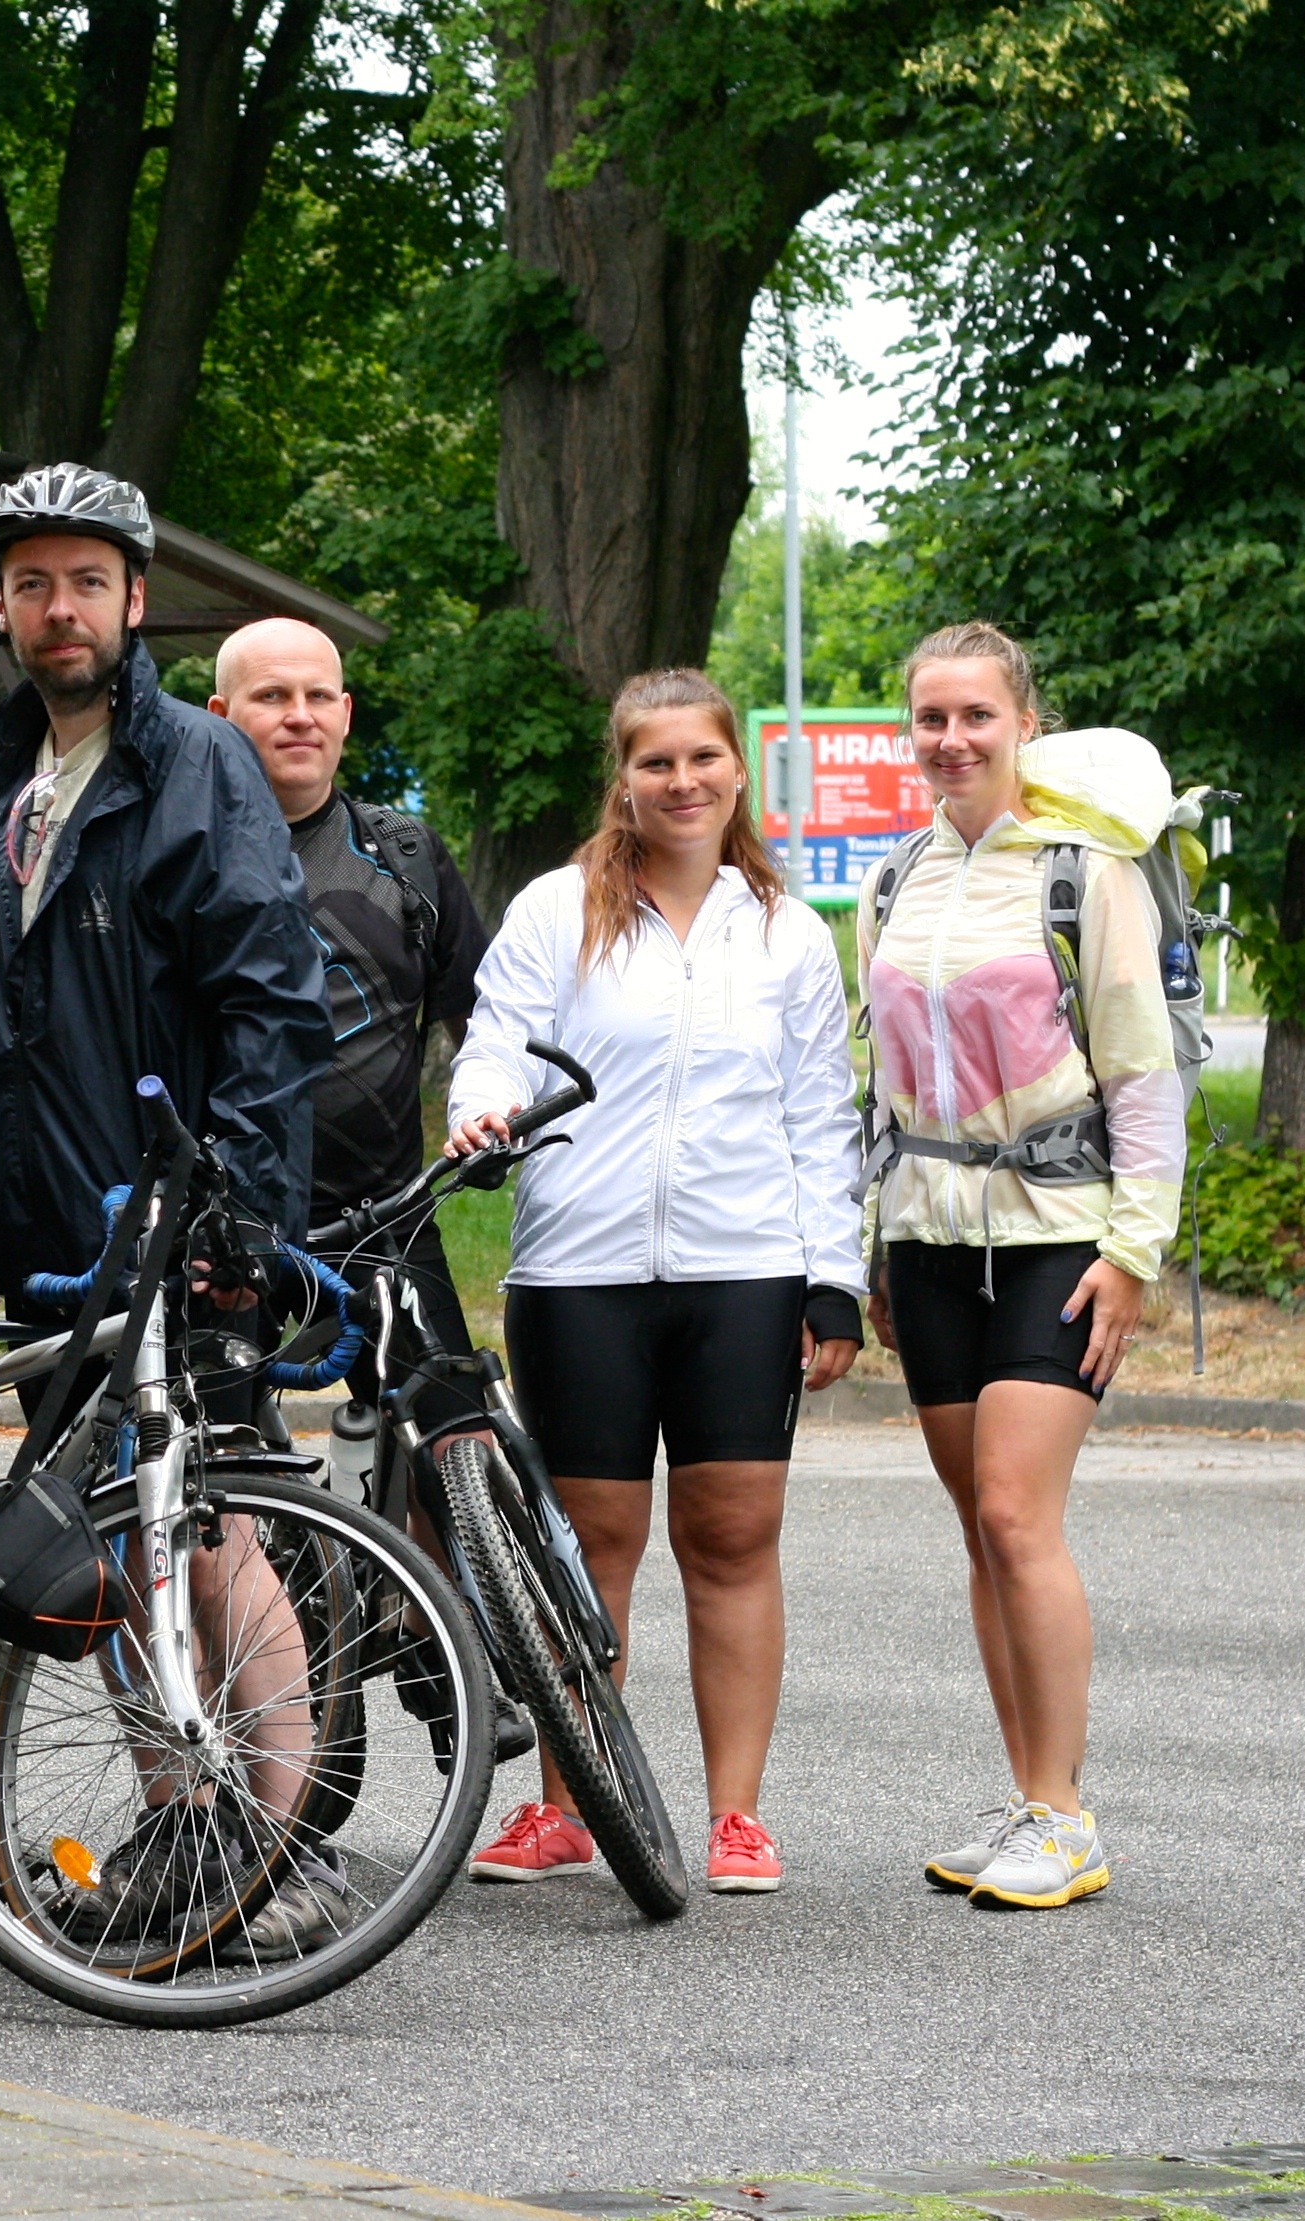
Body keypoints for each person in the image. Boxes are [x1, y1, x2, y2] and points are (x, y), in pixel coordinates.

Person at [0, 462, 331, 1940]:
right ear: (1, 606)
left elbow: (269, 1001)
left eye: (89, 583)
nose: (62, 609)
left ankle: (275, 1851)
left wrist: (233, 1209)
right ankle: (188, 1822)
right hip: (51, 1241)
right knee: (109, 1545)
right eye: (34, 584)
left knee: (210, 1530)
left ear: (133, 601)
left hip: (177, 1222)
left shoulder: (195, 766)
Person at [444, 668, 864, 1896]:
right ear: (621, 779)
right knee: (591, 1544)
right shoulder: (556, 909)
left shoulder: (786, 930)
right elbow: (492, 1048)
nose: (681, 782)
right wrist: (483, 1117)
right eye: (655, 762)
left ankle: (737, 1814)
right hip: (579, 1269)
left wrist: (829, 1280)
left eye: (703, 759)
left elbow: (819, 1117)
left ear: (738, 771)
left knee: (732, 1536)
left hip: (744, 1269)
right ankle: (568, 1806)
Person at [863, 622, 1181, 1911]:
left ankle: (1065, 1812)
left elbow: (1142, 1073)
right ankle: (1025, 1803)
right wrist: (866, 1247)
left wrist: (1133, 1250)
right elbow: (872, 1080)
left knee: (1013, 1512)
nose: (951, 741)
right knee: (978, 1534)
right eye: (931, 719)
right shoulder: (896, 880)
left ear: (1023, 725)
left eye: (975, 718)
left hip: (1058, 1233)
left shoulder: (1079, 874)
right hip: (928, 1236)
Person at [207, 617, 491, 1431]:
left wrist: (487, 1112)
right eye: (272, 696)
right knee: (211, 1467)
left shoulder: (405, 854)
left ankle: (433, 1563)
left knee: (451, 1437)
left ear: (345, 712)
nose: (300, 714)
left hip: (382, 1218)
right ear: (222, 715)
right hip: (224, 1225)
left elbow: (484, 1018)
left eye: (317, 695)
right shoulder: (176, 854)